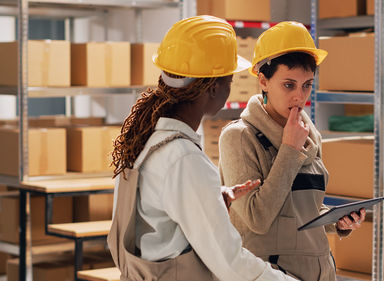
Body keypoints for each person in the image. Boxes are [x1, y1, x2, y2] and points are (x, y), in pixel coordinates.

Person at [107, 16, 298, 281]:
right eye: (229, 80)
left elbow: (154, 221)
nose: (230, 88)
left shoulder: (145, 141)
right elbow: (231, 264)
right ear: (212, 88)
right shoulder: (184, 160)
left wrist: (210, 199)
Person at [218, 21, 366, 281]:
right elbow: (257, 218)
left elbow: (300, 212)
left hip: (319, 271)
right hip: (268, 274)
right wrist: (289, 149)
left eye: (307, 85)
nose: (300, 96)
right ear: (263, 80)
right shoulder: (239, 137)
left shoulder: (309, 134)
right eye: (289, 85)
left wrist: (337, 221)